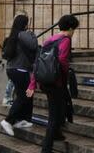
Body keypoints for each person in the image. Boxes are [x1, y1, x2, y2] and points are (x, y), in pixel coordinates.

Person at [28, 14, 79, 153]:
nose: (74, 32)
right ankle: (46, 148)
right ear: (69, 28)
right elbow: (62, 60)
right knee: (54, 114)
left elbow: (38, 61)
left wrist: (32, 83)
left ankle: (57, 133)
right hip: (56, 81)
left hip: (45, 80)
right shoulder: (66, 40)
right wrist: (65, 73)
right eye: (73, 29)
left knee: (61, 105)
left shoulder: (49, 39)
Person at [0, 15, 38, 136]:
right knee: (23, 96)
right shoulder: (24, 34)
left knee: (27, 94)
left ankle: (24, 120)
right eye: (27, 23)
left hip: (12, 69)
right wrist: (31, 34)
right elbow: (34, 45)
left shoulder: (13, 35)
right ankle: (8, 121)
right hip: (20, 70)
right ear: (25, 24)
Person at [2, 11, 27, 107]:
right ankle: (8, 98)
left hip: (13, 65)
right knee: (12, 82)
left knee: (13, 82)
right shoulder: (13, 37)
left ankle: (9, 98)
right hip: (16, 65)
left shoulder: (15, 36)